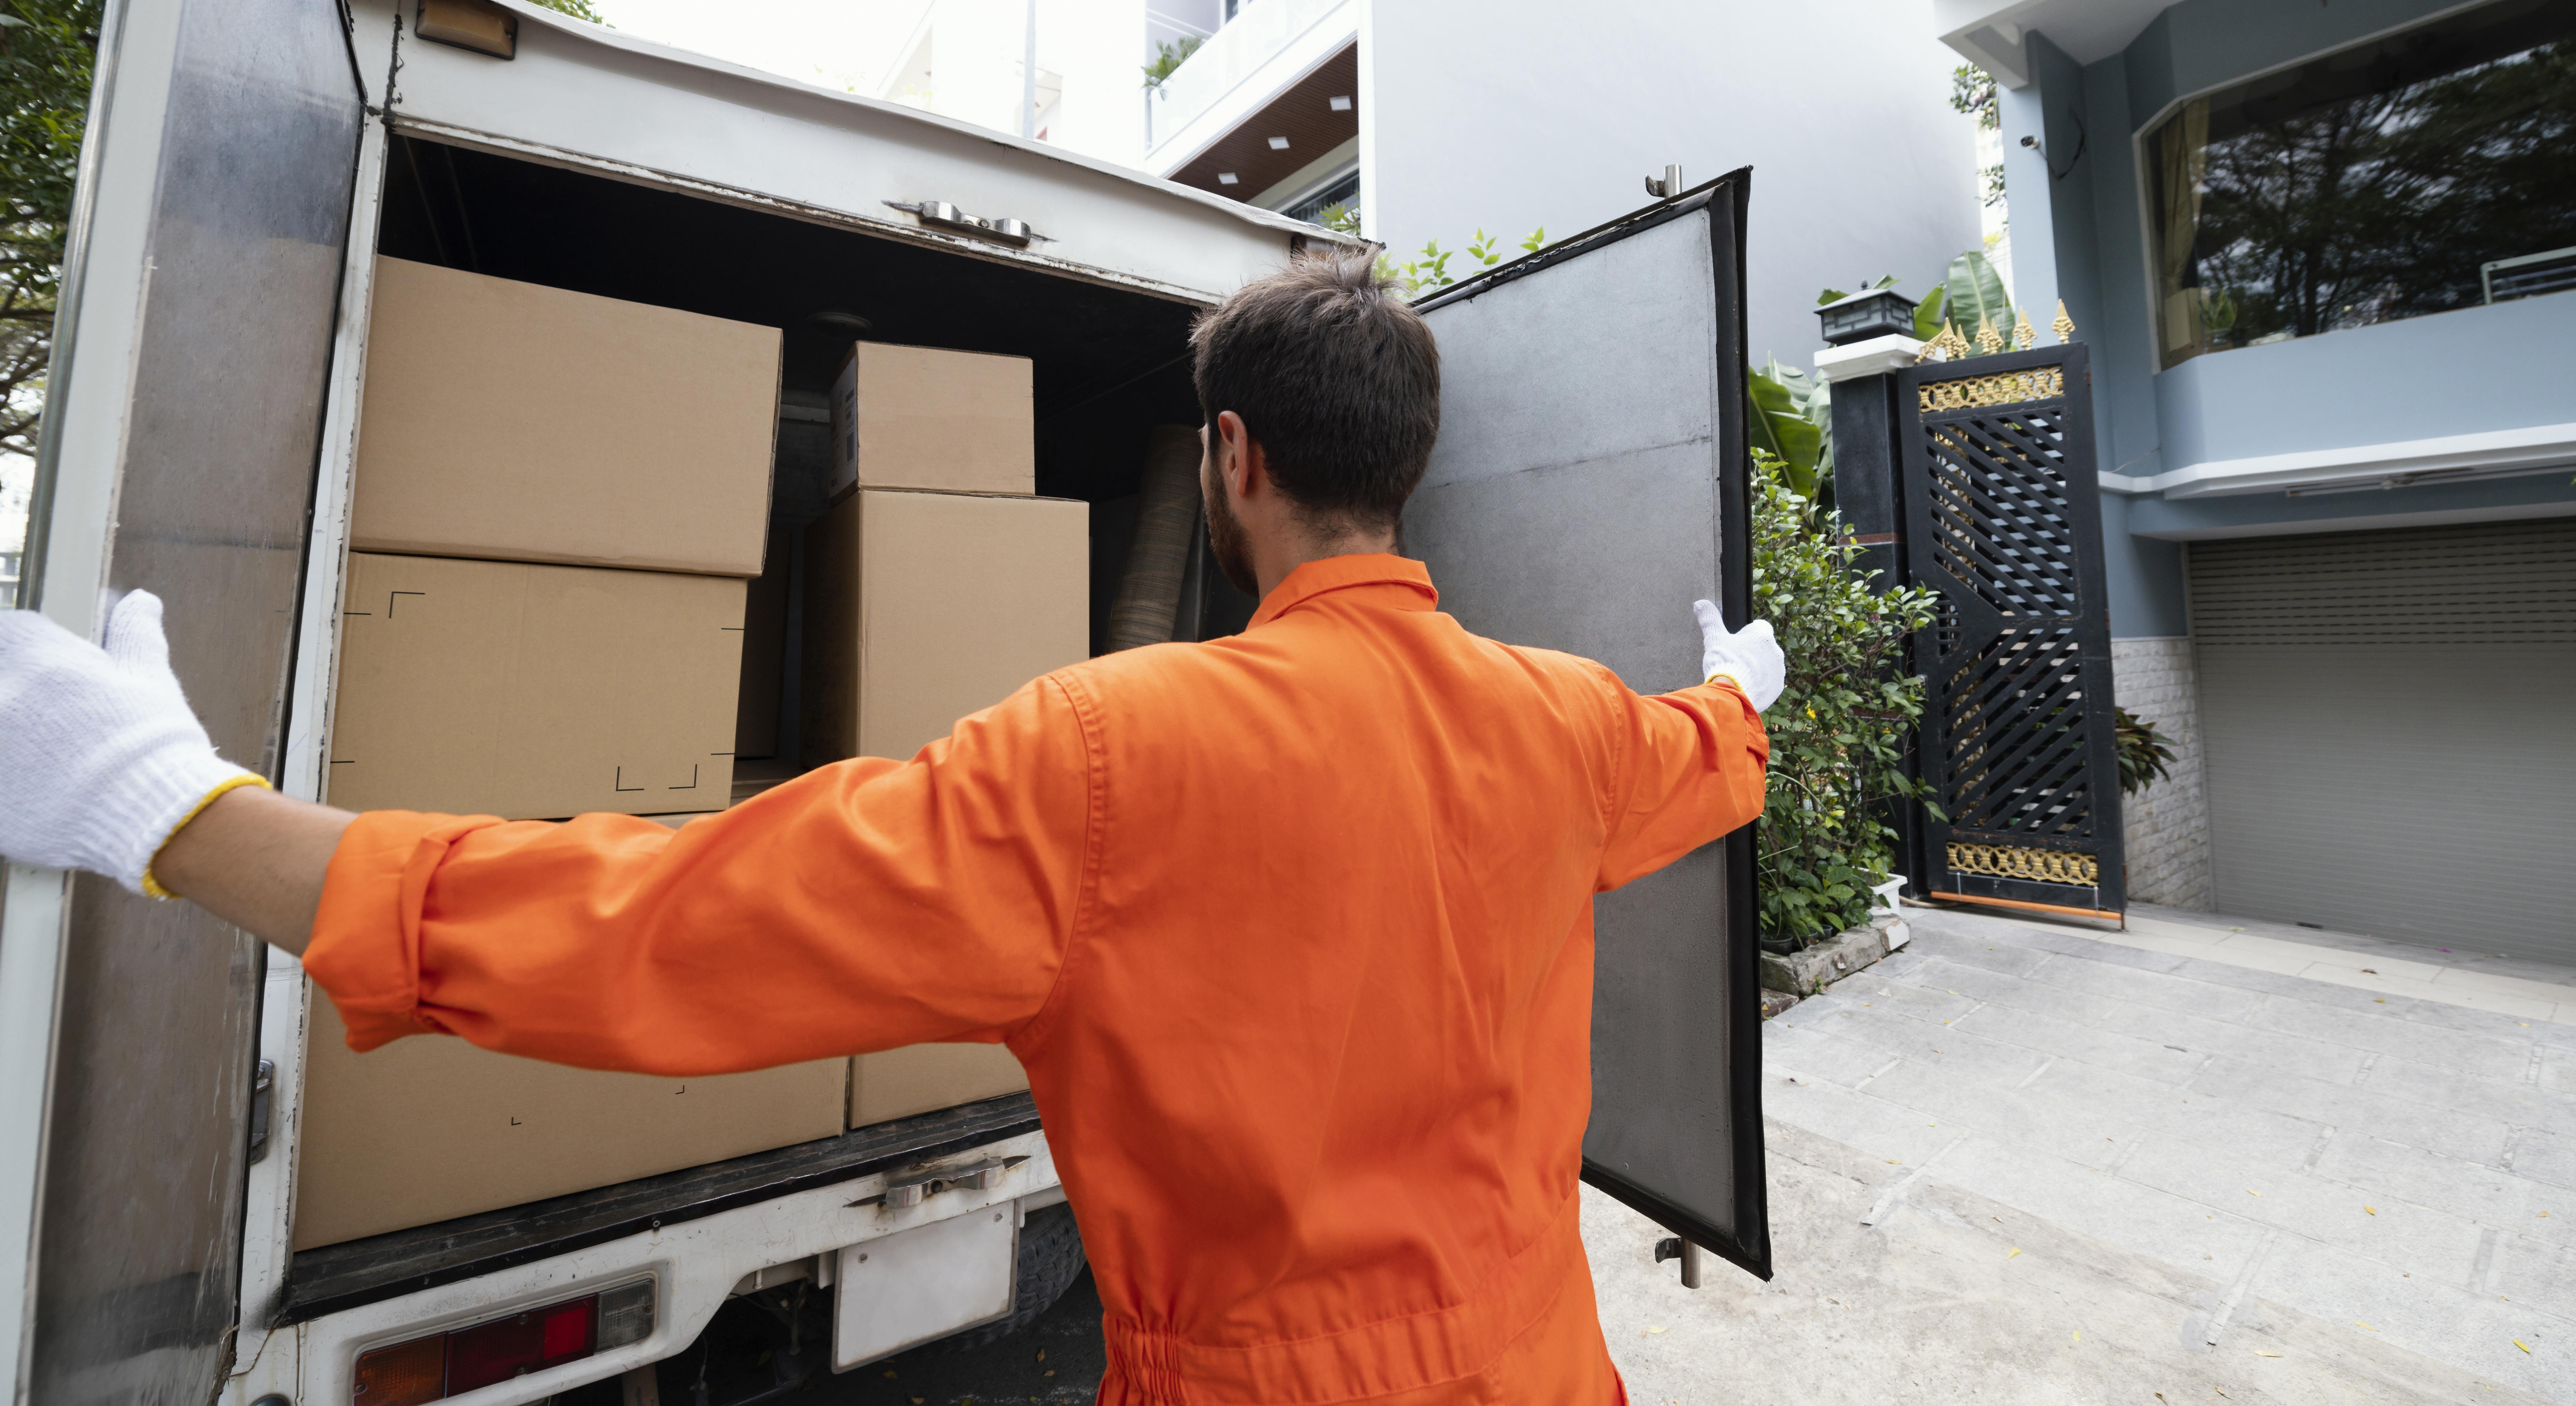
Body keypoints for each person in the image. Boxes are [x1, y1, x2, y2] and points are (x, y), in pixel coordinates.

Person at [0, 254, 1781, 1405]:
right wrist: (1748, 691)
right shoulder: (1565, 721)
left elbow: (672, 925)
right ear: (1403, 460)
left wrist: (191, 815)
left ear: (1234, 456)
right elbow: (1699, 754)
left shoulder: (1110, 754)